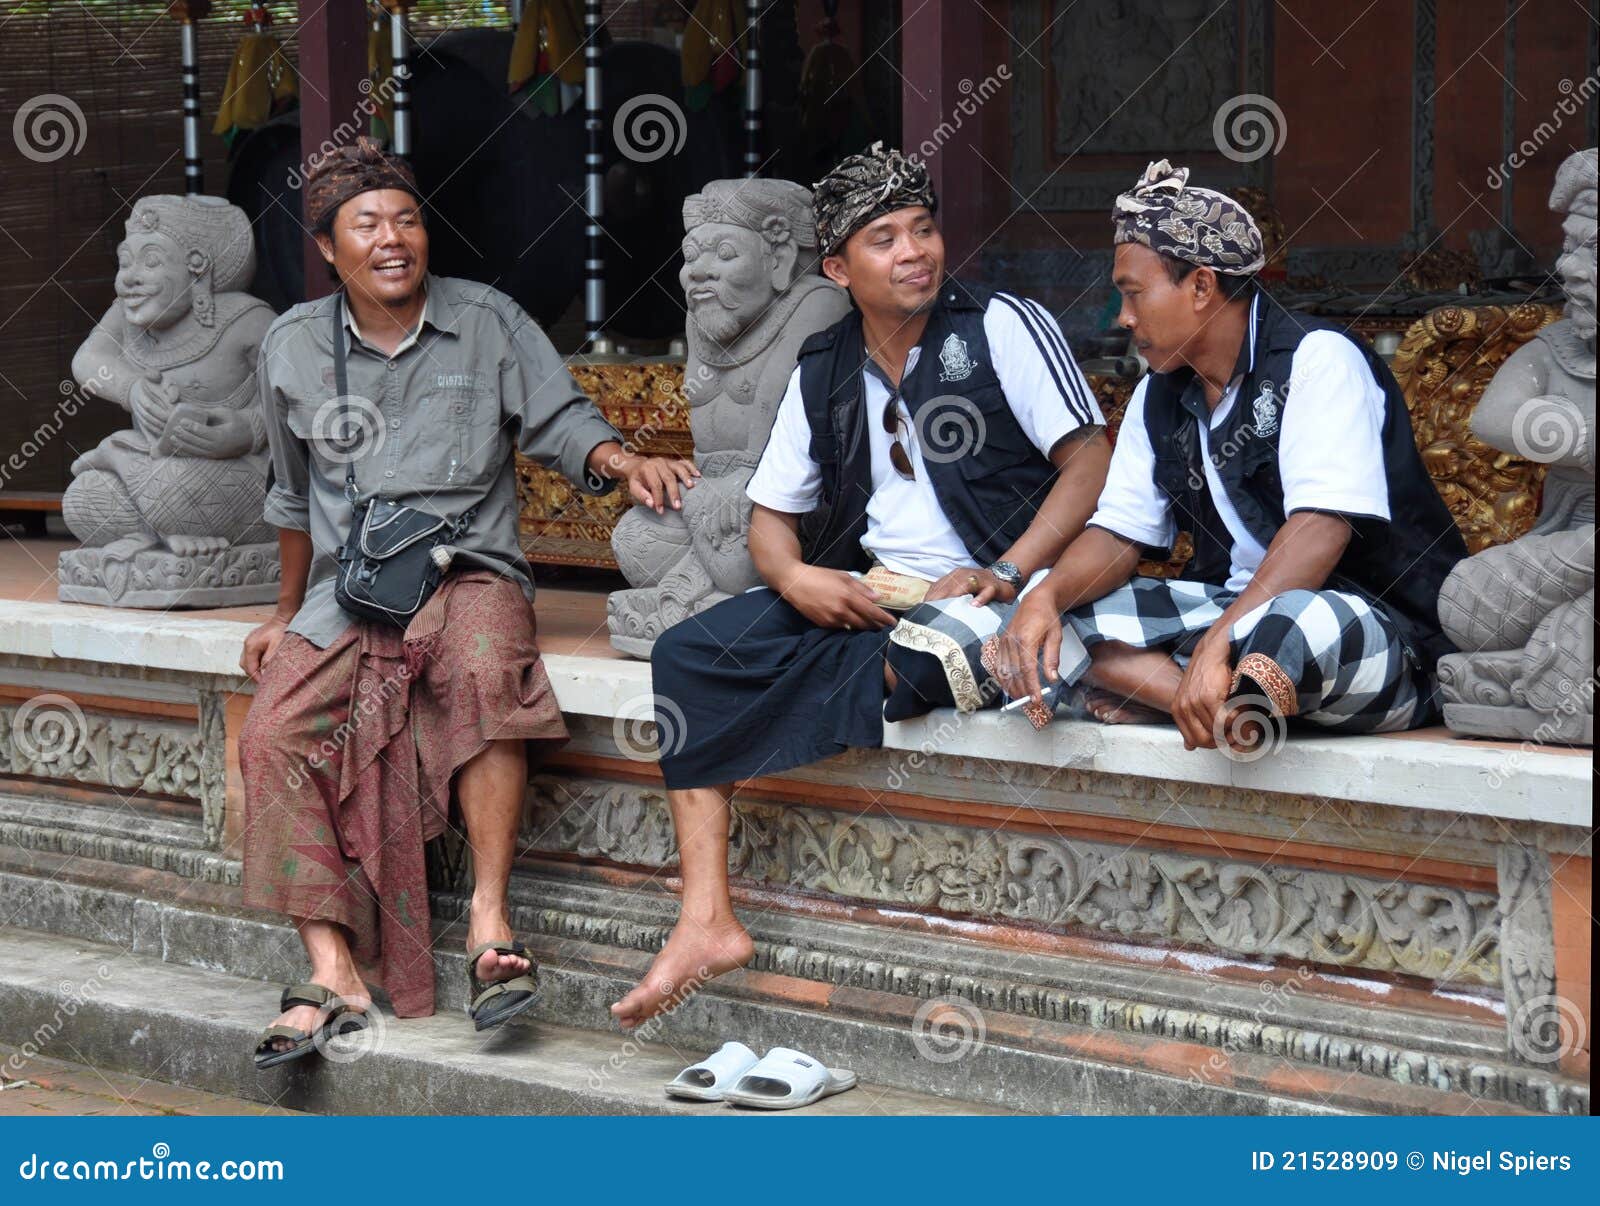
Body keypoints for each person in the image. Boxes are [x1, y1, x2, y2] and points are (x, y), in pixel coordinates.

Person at [609, 144, 1113, 1029]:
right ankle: (706, 918)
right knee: (691, 653)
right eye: (884, 239)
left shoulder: (1000, 326)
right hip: (871, 594)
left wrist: (1008, 568)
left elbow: (1091, 464)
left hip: (995, 598)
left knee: (917, 665)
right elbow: (770, 517)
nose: (914, 250)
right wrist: (799, 579)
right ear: (838, 268)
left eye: (923, 229)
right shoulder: (825, 362)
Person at [238, 138, 697, 1066]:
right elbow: (291, 498)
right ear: (329, 249)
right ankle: (330, 966)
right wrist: (286, 613)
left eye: (406, 218)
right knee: (271, 732)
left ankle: (489, 919)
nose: (393, 238)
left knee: (487, 666)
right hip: (349, 589)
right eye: (366, 225)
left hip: (469, 567)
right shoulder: (289, 345)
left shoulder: (487, 321)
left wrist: (621, 460)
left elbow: (562, 420)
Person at [994, 159, 1467, 755]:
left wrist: (1220, 638)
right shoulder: (1158, 394)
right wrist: (1046, 596)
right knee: (1069, 615)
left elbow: (1319, 531)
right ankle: (1214, 708)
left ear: (1200, 287)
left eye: (1133, 293)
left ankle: (1183, 689)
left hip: (1377, 629)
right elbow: (1117, 534)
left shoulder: (1316, 360)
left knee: (1290, 627)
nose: (1124, 317)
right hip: (1229, 615)